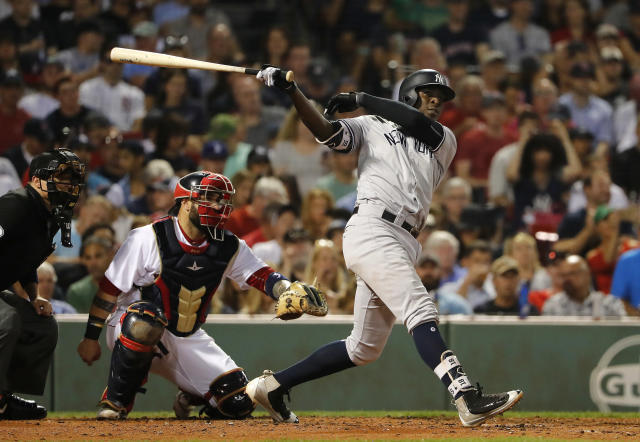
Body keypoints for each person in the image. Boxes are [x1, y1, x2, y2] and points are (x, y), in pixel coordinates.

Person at [248, 66, 522, 426]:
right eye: (427, 95)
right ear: (408, 93)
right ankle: (466, 396)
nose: (435, 104)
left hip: (405, 239)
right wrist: (294, 91)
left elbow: (413, 121)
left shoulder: (443, 138)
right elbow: (327, 132)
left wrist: (361, 99)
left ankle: (273, 386)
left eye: (440, 99)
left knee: (363, 348)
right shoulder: (371, 126)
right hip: (372, 227)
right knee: (419, 306)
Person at [76, 171, 321, 419]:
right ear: (185, 202)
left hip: (185, 334)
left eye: (222, 200)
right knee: (145, 320)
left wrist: (287, 288)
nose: (218, 206)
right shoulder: (147, 237)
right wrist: (90, 337)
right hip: (131, 327)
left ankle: (191, 395)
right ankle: (115, 403)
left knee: (239, 402)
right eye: (210, 198)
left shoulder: (228, 245)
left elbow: (263, 276)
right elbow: (109, 289)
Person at [0, 149, 85, 419]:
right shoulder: (16, 204)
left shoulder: (51, 215)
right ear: (37, 180)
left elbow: (26, 259)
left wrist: (34, 296)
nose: (69, 185)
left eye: (73, 180)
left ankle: (4, 397)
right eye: (62, 178)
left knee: (41, 325)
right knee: (7, 320)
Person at [542, 255, 626, 318]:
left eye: (572, 273)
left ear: (587, 274)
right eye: (564, 275)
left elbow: (621, 334)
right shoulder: (552, 305)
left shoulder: (609, 304)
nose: (567, 279)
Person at [474, 256, 539, 316]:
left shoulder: (529, 312)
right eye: (504, 276)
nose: (509, 281)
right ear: (494, 280)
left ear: (518, 280)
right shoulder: (482, 312)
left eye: (513, 276)